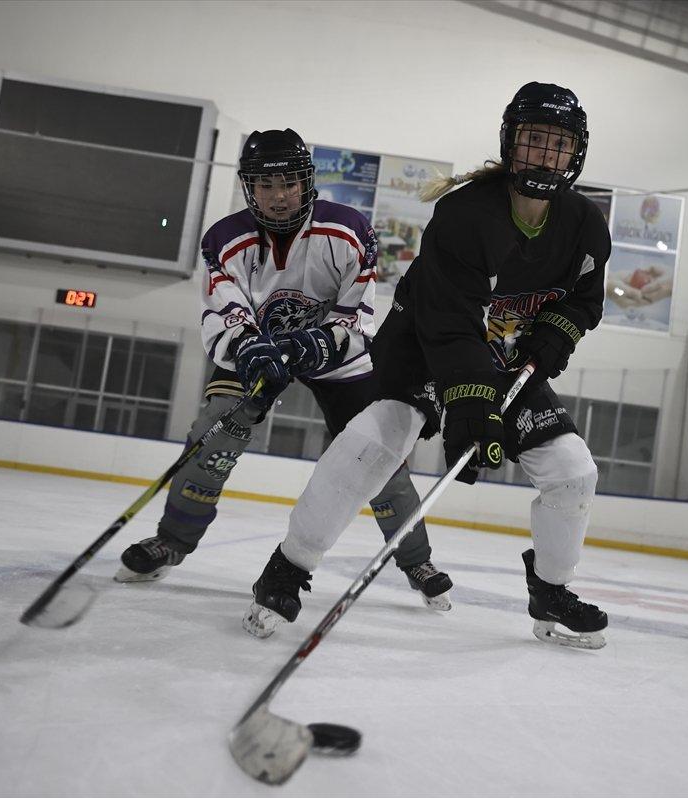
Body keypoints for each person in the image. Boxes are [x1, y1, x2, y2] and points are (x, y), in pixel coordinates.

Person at [242, 83, 612, 649]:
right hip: (422, 346)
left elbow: (583, 301)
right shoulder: (465, 214)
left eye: (556, 145)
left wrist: (549, 344)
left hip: (507, 361)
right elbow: (447, 321)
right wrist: (469, 407)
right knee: (370, 445)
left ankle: (551, 591)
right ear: (511, 143)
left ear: (574, 154)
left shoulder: (586, 225)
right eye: (533, 141)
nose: (543, 155)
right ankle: (287, 570)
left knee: (573, 471)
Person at [114, 129, 454, 612]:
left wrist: (317, 343)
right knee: (213, 432)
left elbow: (360, 315)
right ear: (249, 187)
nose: (278, 196)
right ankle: (172, 540)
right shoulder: (224, 240)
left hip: (337, 359)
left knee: (378, 454)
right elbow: (222, 312)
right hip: (261, 354)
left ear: (306, 182)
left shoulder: (349, 230)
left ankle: (415, 558)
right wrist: (251, 347)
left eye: (288, 183)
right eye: (265, 185)